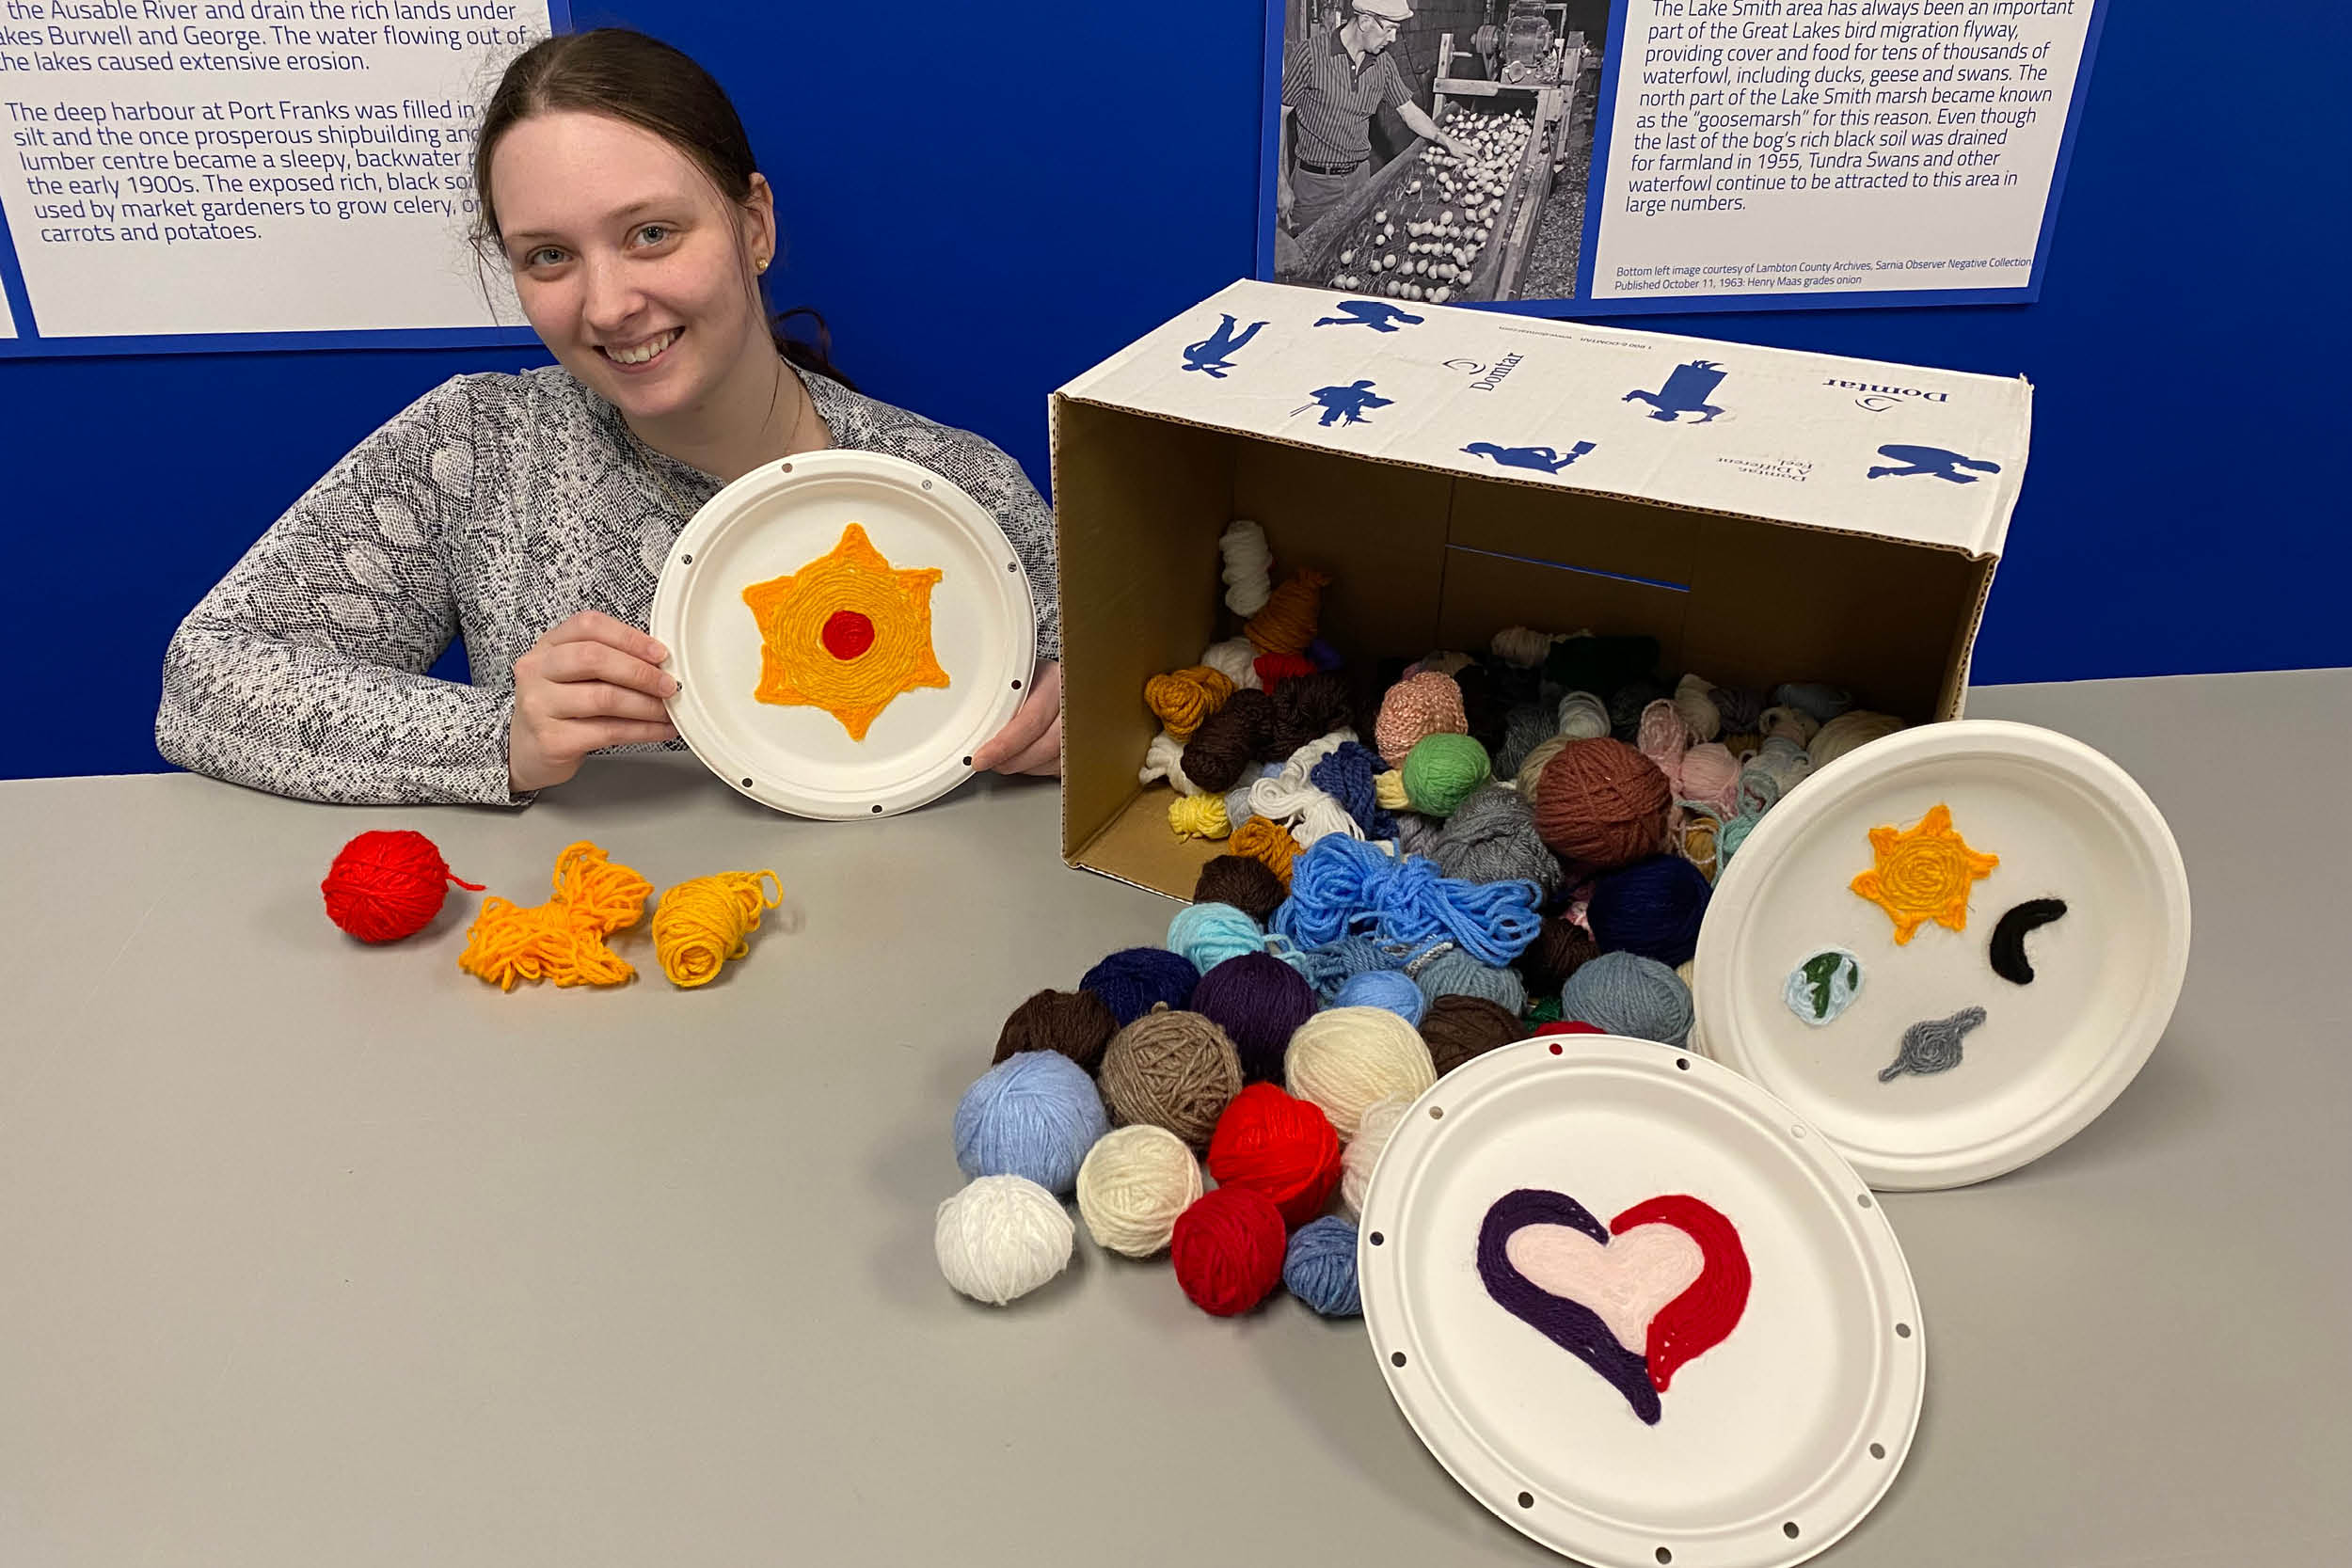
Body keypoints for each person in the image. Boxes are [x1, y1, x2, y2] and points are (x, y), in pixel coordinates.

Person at [155, 28, 1064, 805]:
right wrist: (502, 736)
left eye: (651, 234)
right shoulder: (475, 448)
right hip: (590, 958)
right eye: (549, 255)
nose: (608, 305)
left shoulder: (960, 490)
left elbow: (1140, 718)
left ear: (754, 225)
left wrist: (1081, 735)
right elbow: (204, 682)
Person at [1279, 0, 1472, 240]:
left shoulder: (1383, 63)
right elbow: (1279, 115)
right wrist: (1280, 181)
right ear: (1365, 21)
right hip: (1315, 186)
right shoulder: (1311, 55)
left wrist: (1446, 141)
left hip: (1360, 178)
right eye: (1389, 29)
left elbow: (1408, 111)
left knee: (1353, 248)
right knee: (1307, 257)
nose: (1392, 38)